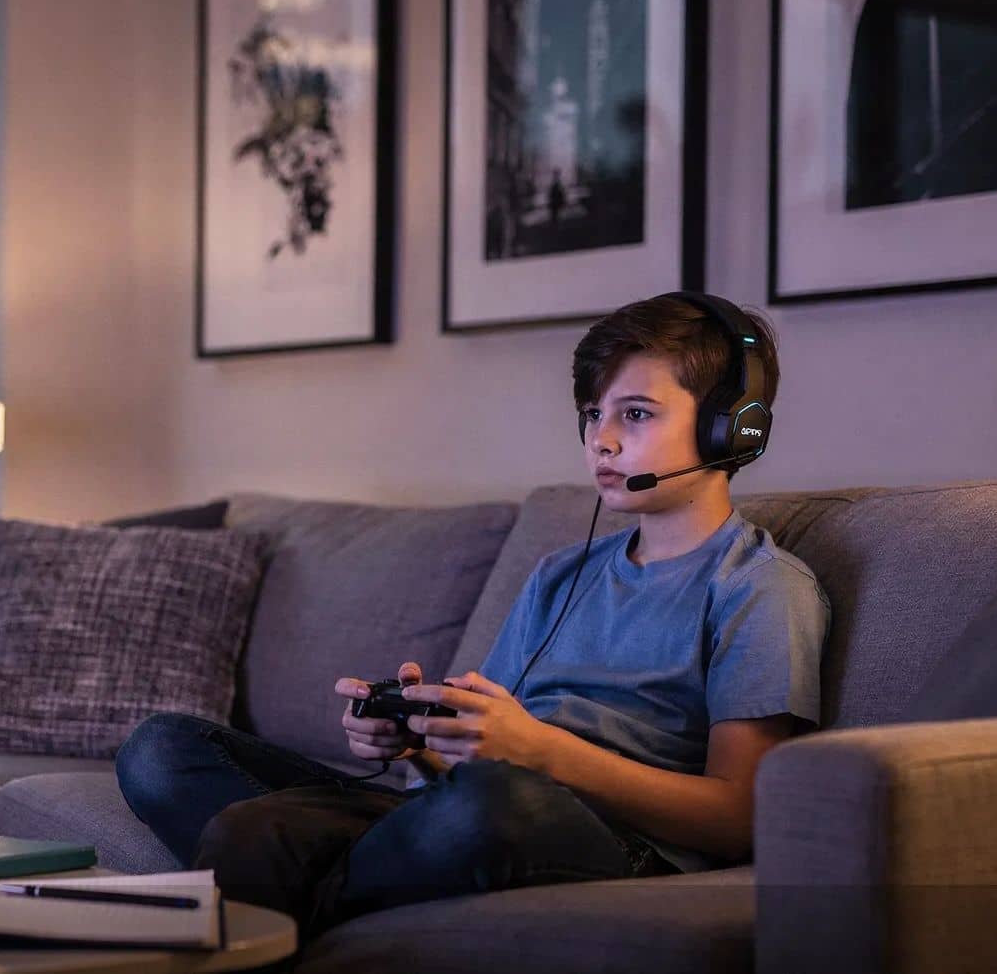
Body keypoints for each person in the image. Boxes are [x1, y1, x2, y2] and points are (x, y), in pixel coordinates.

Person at [117, 293, 829, 936]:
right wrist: (415, 740)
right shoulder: (560, 573)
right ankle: (312, 883)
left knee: (475, 806)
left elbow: (738, 817)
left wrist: (543, 753)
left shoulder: (758, 588)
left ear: (731, 429)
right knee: (162, 748)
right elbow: (479, 750)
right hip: (468, 802)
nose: (601, 440)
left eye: (635, 414)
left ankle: (275, 883)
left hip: (591, 832)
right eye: (593, 414)